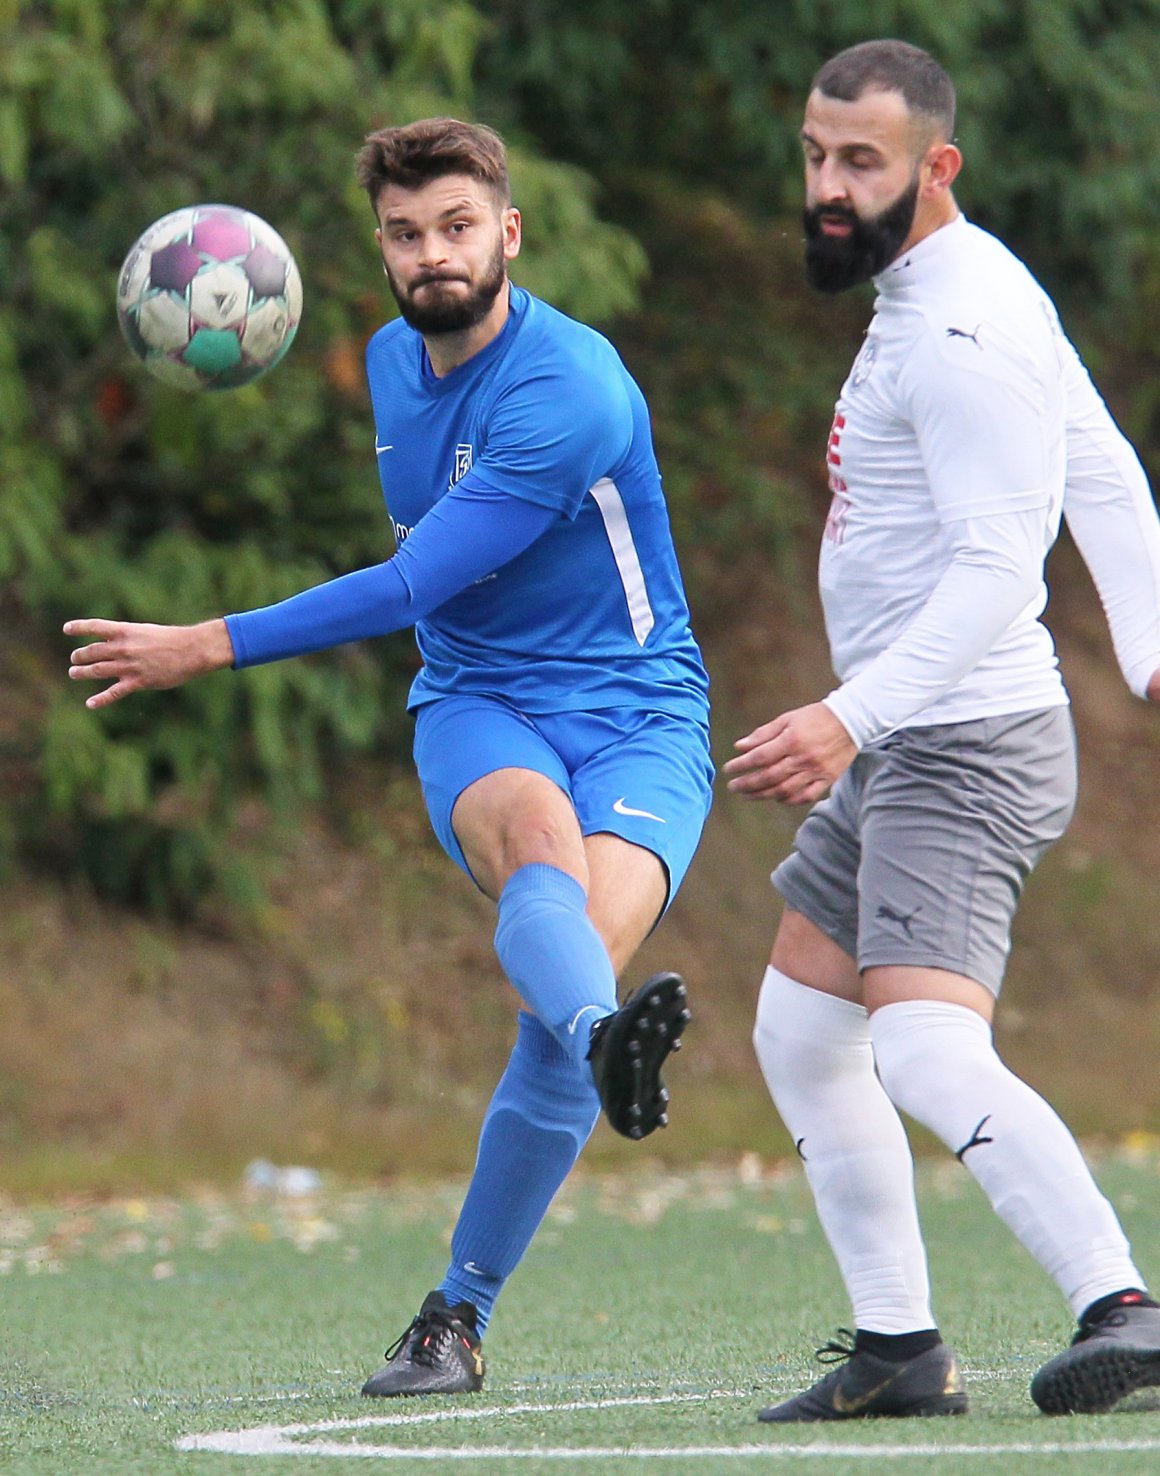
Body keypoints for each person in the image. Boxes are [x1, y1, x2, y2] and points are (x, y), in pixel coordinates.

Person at [65, 117, 713, 1397]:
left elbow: (417, 574)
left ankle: (454, 1315)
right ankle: (606, 1042)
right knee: (540, 861)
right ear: (380, 250)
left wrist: (212, 641)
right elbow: (441, 607)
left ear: (508, 234)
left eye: (457, 227)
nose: (433, 255)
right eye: (406, 235)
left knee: (554, 1004)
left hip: (641, 711)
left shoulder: (570, 386)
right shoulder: (384, 360)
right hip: (480, 704)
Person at [725, 39, 1160, 1422]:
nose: (831, 187)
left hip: (958, 745)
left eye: (864, 161)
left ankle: (1125, 1307)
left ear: (937, 165)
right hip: (917, 737)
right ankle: (900, 1351)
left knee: (917, 1048)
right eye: (817, 155)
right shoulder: (947, 292)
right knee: (803, 1030)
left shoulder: (965, 328)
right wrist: (1155, 661)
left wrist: (847, 719)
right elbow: (1105, 467)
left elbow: (997, 574)